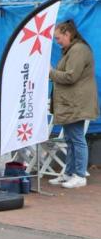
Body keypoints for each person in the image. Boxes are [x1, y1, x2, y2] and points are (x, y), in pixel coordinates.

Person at [49, 19, 99, 189]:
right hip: (72, 102)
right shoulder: (73, 49)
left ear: (67, 34)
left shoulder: (78, 50)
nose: (57, 42)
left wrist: (51, 73)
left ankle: (79, 175)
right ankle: (69, 173)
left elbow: (71, 76)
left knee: (76, 139)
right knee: (70, 139)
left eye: (58, 38)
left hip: (76, 103)